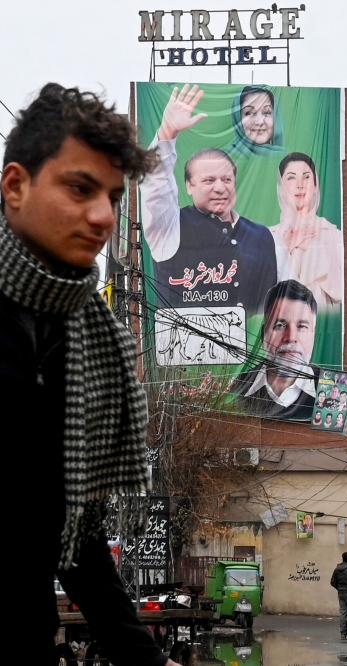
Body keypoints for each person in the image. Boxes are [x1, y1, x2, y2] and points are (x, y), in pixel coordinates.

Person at [1, 83, 179, 666]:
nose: (102, 215)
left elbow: (69, 530)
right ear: (15, 185)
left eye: (112, 195)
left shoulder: (80, 332)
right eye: (80, 188)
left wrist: (142, 657)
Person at [139, 84, 281, 313]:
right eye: (208, 180)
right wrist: (167, 134)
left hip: (246, 350)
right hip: (182, 347)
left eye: (226, 180)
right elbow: (156, 189)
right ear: (189, 185)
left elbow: (274, 306)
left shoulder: (262, 236)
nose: (219, 188)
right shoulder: (169, 227)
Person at [231, 280, 318, 420]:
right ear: (262, 333)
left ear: (313, 336)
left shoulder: (334, 390)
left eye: (302, 327)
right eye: (280, 325)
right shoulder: (236, 389)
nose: (290, 338)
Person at [272, 152, 344, 308]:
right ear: (281, 188)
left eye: (306, 177)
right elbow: (263, 291)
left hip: (325, 325)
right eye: (291, 177)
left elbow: (343, 292)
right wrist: (288, 248)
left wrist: (315, 249)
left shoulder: (334, 236)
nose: (300, 184)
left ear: (315, 187)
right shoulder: (269, 237)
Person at [224, 85, 284, 157]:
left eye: (267, 112)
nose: (259, 122)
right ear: (238, 118)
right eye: (249, 113)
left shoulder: (286, 157)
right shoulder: (224, 159)